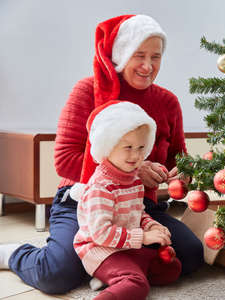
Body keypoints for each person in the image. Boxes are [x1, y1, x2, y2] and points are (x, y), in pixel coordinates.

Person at [0, 14, 203, 294]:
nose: (148, 66)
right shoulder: (87, 91)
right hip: (85, 202)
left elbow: (178, 160)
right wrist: (134, 170)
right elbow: (64, 160)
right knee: (55, 275)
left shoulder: (168, 102)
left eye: (156, 57)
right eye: (139, 55)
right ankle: (13, 254)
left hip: (139, 207)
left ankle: (113, 267)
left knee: (189, 255)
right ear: (121, 54)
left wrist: (182, 173)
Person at [73, 100, 181, 300]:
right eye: (128, 147)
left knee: (170, 267)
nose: (136, 155)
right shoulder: (101, 187)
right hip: (100, 250)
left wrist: (153, 227)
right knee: (136, 285)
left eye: (141, 147)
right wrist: (144, 238)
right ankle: (117, 278)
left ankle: (114, 277)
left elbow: (138, 213)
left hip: (124, 247)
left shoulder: (133, 179)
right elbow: (100, 234)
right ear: (108, 146)